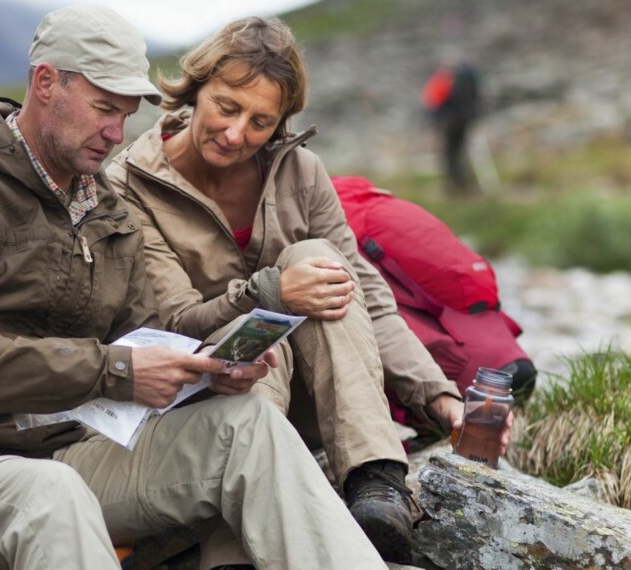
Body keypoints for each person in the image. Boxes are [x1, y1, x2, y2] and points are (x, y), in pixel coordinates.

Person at [0, 6, 385, 570]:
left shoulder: (105, 211)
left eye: (124, 116)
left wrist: (207, 373)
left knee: (247, 423)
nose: (117, 134)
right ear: (45, 82)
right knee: (50, 495)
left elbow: (146, 338)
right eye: (102, 109)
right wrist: (115, 372)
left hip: (72, 449)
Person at [107, 17, 512, 565]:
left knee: (319, 261)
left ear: (280, 123)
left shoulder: (300, 170)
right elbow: (177, 320)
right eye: (227, 107)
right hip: (203, 405)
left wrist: (440, 397)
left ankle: (376, 484)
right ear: (196, 88)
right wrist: (270, 293)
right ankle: (233, 549)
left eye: (260, 122)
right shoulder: (128, 183)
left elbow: (368, 296)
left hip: (311, 400)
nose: (236, 134)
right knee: (269, 319)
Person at [421, 60, 481, 196]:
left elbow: (434, 101)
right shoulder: (467, 81)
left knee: (450, 154)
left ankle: (454, 185)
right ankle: (463, 184)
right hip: (465, 119)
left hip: (449, 121)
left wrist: (434, 120)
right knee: (458, 151)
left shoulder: (444, 81)